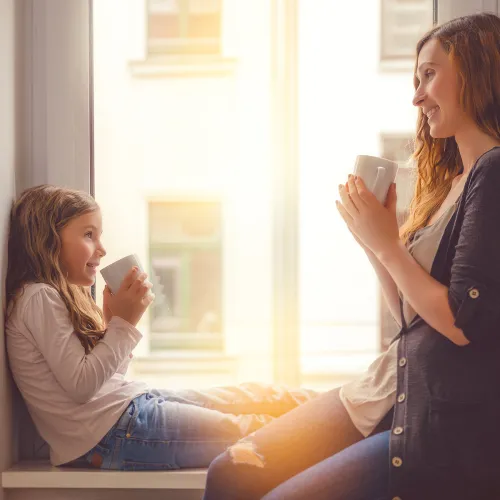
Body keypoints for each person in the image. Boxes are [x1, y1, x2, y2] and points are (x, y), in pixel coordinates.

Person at [203, 12, 500, 500]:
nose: (417, 96)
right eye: (415, 79)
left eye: (429, 74)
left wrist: (388, 245)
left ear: (475, 70)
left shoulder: (493, 173)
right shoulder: (452, 185)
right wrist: (374, 244)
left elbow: (463, 323)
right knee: (230, 471)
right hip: (384, 386)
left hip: (428, 420)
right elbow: (409, 315)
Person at [4, 185, 318, 470]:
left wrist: (114, 323)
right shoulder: (37, 297)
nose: (101, 248)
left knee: (259, 394)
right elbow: (82, 386)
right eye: (89, 235)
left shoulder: (55, 296)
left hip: (128, 412)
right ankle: (351, 433)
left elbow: (105, 380)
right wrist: (123, 325)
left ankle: (353, 407)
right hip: (114, 433)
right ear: (48, 239)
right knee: (254, 429)